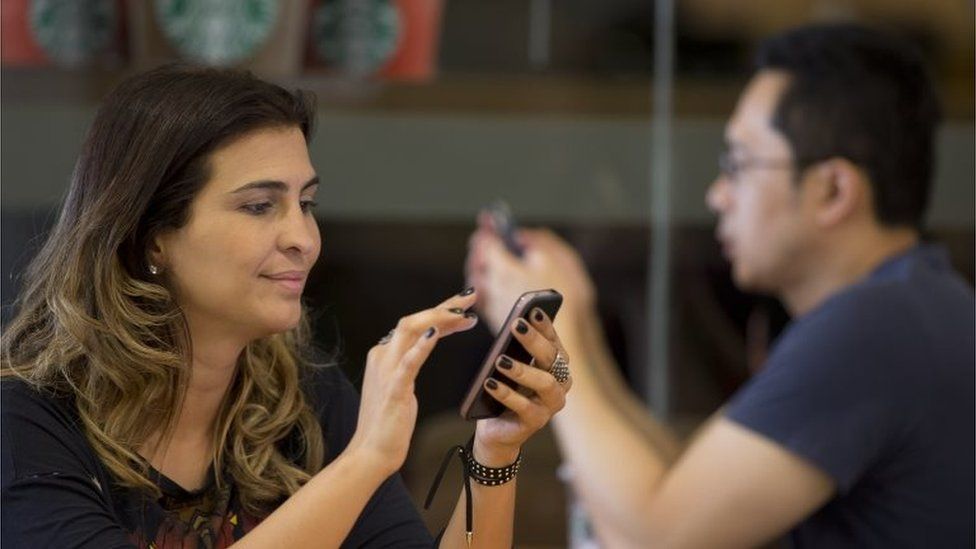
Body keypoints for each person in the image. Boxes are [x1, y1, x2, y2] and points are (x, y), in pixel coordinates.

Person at [0, 64, 574, 548]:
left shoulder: (304, 400)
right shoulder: (25, 422)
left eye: (306, 203)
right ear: (151, 236)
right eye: (258, 207)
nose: (303, 237)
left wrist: (495, 454)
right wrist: (365, 459)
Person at [466, 23, 975, 548]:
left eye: (739, 165)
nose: (717, 196)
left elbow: (656, 538)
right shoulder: (913, 307)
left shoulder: (872, 330)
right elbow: (678, 486)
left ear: (833, 190)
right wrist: (580, 334)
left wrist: (557, 326)